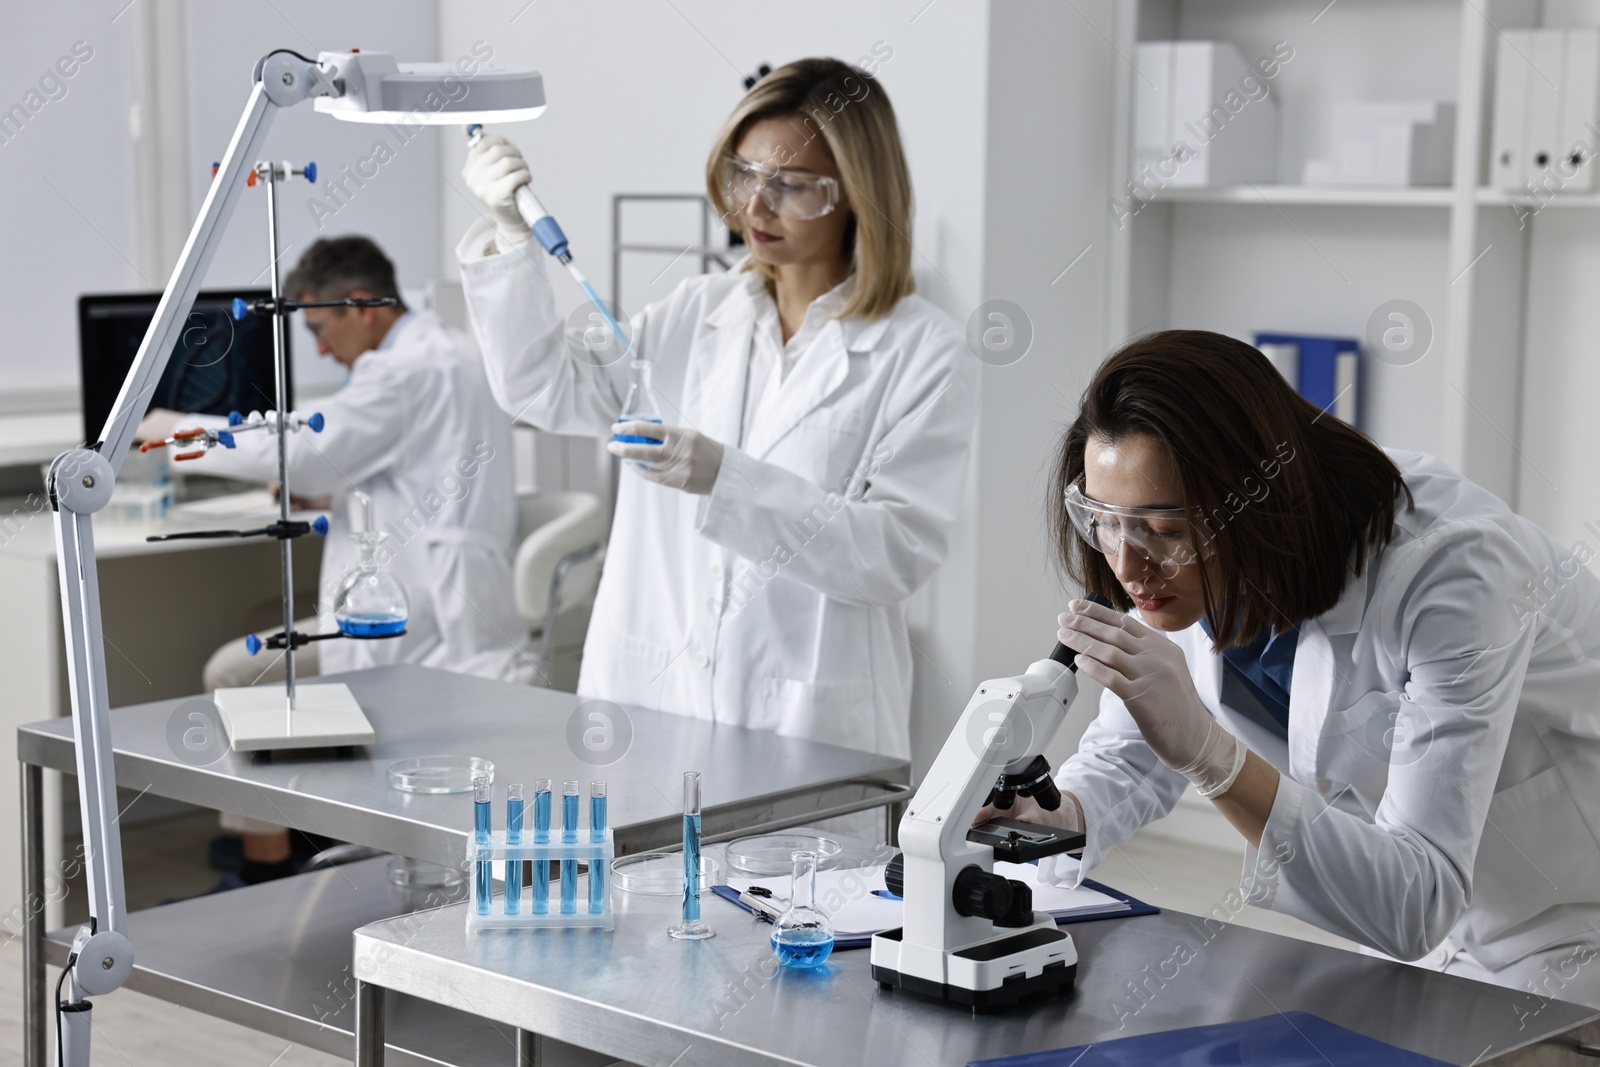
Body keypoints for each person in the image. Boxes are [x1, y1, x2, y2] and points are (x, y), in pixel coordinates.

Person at [994, 329, 1600, 1008]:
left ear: (1251, 501)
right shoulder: (1189, 570)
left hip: (1570, 936)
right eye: (1105, 520)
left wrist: (1213, 759)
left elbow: (1419, 897)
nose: (1127, 565)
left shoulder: (1455, 571)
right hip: (1413, 942)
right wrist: (1047, 817)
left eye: (1162, 530)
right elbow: (1134, 755)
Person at [457, 58, 979, 759]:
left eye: (792, 186)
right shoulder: (696, 310)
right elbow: (542, 386)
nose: (756, 208)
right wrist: (510, 237)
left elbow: (891, 555)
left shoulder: (924, 350)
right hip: (651, 698)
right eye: (745, 174)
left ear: (858, 192)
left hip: (806, 722)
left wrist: (727, 478)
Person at [138, 236, 525, 886]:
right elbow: (407, 467)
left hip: (416, 607)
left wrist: (179, 430)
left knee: (236, 672)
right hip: (464, 595)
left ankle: (267, 867)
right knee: (270, 621)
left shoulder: (402, 371)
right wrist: (328, 489)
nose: (318, 348)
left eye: (320, 327)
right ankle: (292, 838)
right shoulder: (457, 351)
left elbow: (306, 446)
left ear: (361, 307)